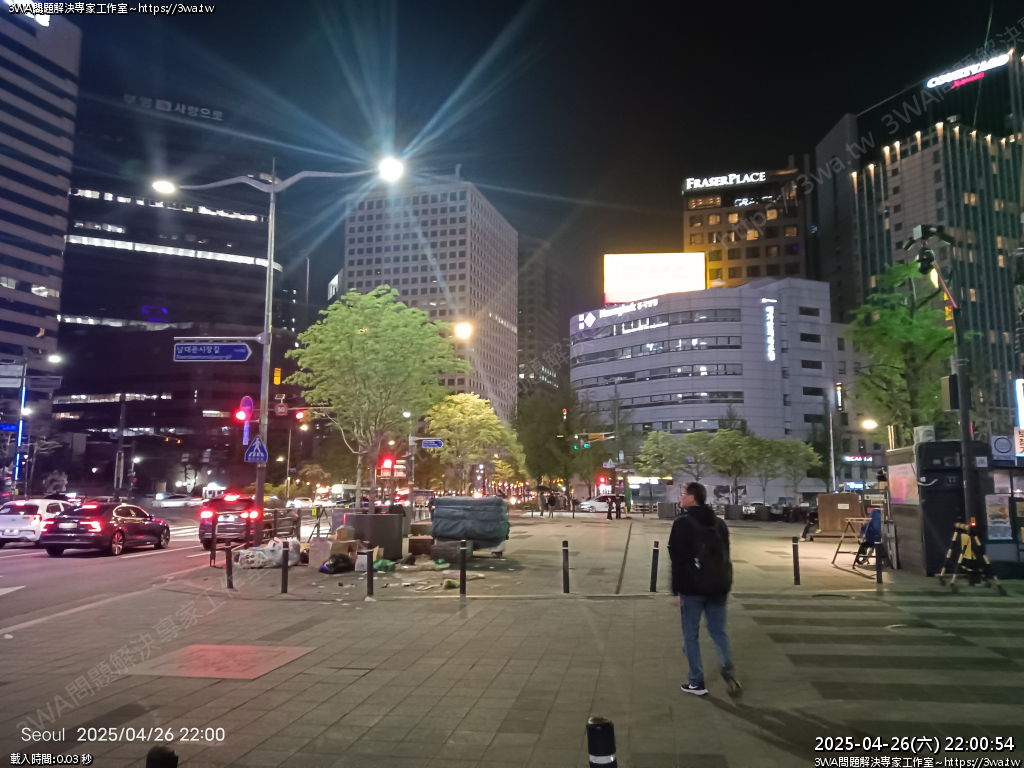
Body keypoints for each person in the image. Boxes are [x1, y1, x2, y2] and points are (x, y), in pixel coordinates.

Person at [668, 481, 741, 697]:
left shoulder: (682, 523)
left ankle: (696, 682)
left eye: (684, 494)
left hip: (692, 588)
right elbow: (725, 556)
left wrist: (675, 590)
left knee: (691, 635)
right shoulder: (719, 524)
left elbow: (677, 560)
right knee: (718, 631)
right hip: (718, 586)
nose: (681, 497)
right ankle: (727, 670)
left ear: (692, 498)